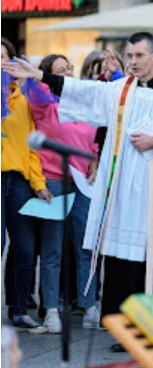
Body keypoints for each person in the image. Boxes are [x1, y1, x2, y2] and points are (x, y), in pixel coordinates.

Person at [4, 32, 153, 341]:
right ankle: (131, 334)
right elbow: (81, 91)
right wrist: (40, 75)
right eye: (129, 56)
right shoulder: (118, 91)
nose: (133, 61)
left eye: (139, 55)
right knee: (126, 260)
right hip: (125, 193)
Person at [21, 54, 100, 333]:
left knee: (85, 246)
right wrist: (34, 73)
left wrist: (94, 158)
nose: (66, 73)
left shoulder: (83, 101)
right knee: (52, 250)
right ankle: (51, 310)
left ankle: (90, 307)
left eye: (68, 68)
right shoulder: (44, 103)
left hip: (83, 181)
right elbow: (35, 90)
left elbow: (94, 137)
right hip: (54, 181)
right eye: (59, 70)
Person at [1, 39, 51, 333]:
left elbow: (31, 148)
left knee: (24, 248)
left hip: (19, 182)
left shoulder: (24, 101)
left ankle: (19, 311)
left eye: (4, 57)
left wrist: (40, 184)